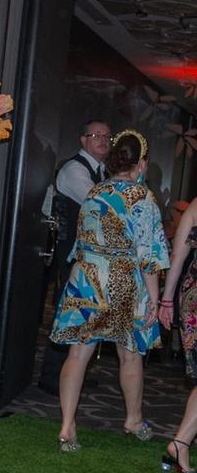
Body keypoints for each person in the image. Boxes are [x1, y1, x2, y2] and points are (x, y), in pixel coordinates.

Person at [51, 129, 169, 452]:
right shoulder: (143, 199)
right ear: (141, 164)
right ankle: (133, 420)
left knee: (78, 353)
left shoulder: (95, 192)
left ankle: (66, 426)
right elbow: (150, 256)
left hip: (87, 276)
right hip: (123, 280)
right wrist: (155, 300)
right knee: (130, 355)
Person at [39, 119, 111, 393]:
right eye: (96, 135)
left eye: (107, 136)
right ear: (83, 140)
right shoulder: (74, 170)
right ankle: (51, 376)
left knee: (82, 315)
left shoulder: (101, 171)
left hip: (88, 256)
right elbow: (100, 205)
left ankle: (72, 373)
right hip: (71, 254)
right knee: (65, 312)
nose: (102, 140)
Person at [156, 197, 197, 473]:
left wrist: (167, 299)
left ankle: (181, 442)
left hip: (192, 294)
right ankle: (181, 441)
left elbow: (178, 254)